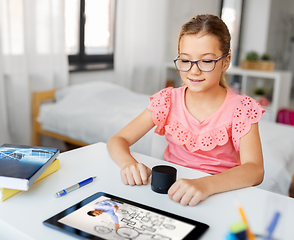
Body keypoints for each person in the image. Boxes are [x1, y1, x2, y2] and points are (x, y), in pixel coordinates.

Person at [107, 14, 265, 207]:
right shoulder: (167, 100)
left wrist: (206, 185)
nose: (194, 71)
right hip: (173, 195)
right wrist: (128, 163)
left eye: (206, 61)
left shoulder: (241, 108)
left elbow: (255, 170)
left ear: (225, 61)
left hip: (219, 195)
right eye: (185, 60)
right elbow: (117, 140)